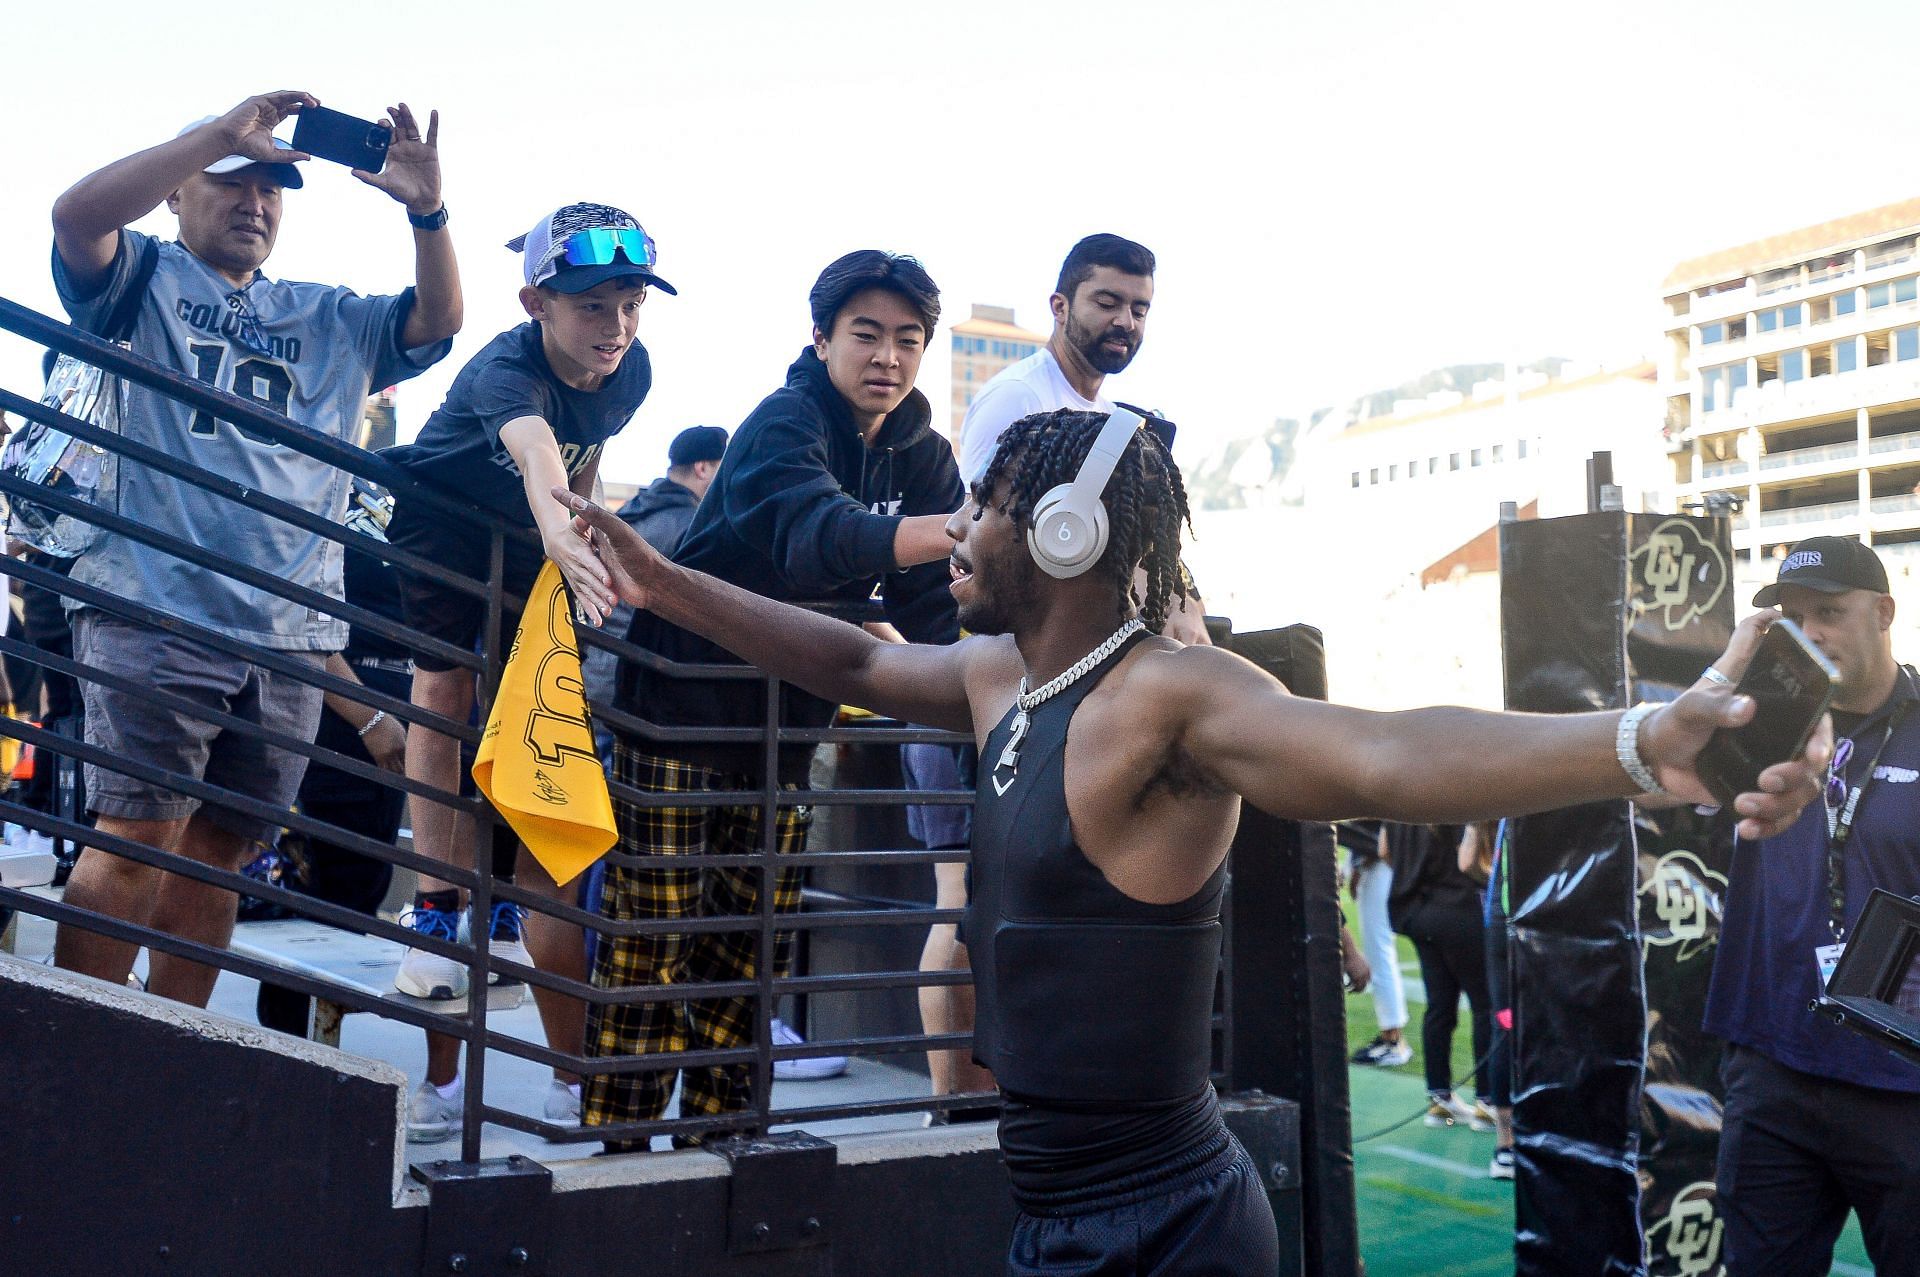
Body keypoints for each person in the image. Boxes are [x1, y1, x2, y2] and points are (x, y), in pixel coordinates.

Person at [556, 405, 1824, 1272]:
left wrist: (1630, 738)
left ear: (1063, 532)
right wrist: (662, 581)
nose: (957, 529)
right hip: (1052, 1203)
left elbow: (1384, 748)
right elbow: (847, 654)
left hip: (1166, 1224)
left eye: (987, 508)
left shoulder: (1177, 693)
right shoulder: (1005, 676)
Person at [48, 92, 459, 1007]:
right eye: (232, 180)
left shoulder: (327, 315)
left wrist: (426, 210)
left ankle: (171, 1052)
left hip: (281, 640)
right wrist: (215, 135)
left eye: (274, 187)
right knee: (132, 843)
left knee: (220, 860)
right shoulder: (145, 275)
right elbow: (76, 217)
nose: (255, 201)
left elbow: (435, 322)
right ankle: (72, 1062)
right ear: (177, 191)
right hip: (154, 609)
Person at [589, 250, 964, 1148]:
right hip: (682, 709)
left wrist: (1014, 671)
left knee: (749, 951)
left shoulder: (922, 453)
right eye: (865, 335)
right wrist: (953, 533)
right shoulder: (785, 422)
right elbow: (817, 540)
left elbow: (937, 606)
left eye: (907, 340)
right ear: (821, 338)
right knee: (654, 942)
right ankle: (623, 1149)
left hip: (788, 730)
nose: (887, 358)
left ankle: (724, 1144)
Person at [378, 201, 673, 1140]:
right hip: (443, 526)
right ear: (536, 302)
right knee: (446, 693)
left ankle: (567, 1074)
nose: (616, 327)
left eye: (630, 303)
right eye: (593, 306)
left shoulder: (632, 373)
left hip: (534, 553)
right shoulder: (505, 365)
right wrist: (563, 524)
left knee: (546, 802)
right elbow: (539, 449)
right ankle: (436, 922)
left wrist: (577, 532)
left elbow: (584, 462)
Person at [1704, 536, 1920, 1275]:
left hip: (1904, 1085)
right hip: (1773, 1065)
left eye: (1829, 610)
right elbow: (1643, 784)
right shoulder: (1752, 721)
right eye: (1792, 616)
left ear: (1884, 611)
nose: (1811, 632)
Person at [954, 234, 1209, 648]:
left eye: (1139, 309)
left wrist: (1185, 600)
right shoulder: (1018, 397)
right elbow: (978, 529)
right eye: (1107, 304)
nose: (1126, 321)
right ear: (1060, 307)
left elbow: (1142, 538)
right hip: (1027, 643)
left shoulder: (1113, 419)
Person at [581, 423, 728, 756]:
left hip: (596, 671)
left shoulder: (633, 513)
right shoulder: (690, 527)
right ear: (703, 468)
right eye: (725, 468)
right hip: (632, 686)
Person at [1387, 821, 1495, 1130]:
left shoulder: (1401, 794)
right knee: (1486, 1005)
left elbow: (1385, 850)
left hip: (1418, 911)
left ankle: (1439, 1098)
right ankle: (1488, 1101)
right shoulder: (1448, 789)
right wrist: (1495, 882)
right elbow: (1469, 860)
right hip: (1459, 909)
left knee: (1439, 1007)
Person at [1342, 818, 1412, 1068]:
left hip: (1381, 863)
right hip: (1377, 861)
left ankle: (1393, 1040)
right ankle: (1391, 1036)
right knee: (1379, 949)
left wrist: (1358, 865)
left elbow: (1379, 824)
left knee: (1378, 951)